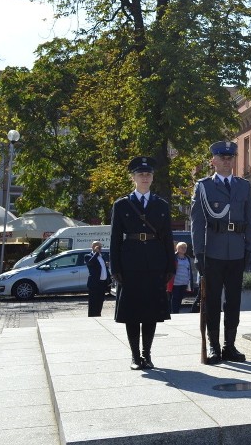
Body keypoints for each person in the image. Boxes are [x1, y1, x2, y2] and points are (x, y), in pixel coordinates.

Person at [190, 141, 251, 364]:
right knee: (213, 302)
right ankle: (214, 346)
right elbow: (197, 223)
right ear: (213, 161)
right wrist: (198, 254)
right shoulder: (204, 186)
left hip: (236, 251)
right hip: (213, 252)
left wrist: (248, 247)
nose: (227, 162)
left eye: (230, 158)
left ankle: (230, 346)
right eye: (223, 158)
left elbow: (249, 220)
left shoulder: (243, 186)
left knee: (234, 302)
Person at [110, 156, 175, 370]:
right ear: (133, 178)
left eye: (148, 174)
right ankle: (135, 356)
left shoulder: (161, 205)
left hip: (155, 262)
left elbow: (167, 237)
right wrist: (116, 267)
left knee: (150, 311)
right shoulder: (121, 205)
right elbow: (115, 238)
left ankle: (147, 354)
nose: (145, 177)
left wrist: (170, 266)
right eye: (140, 174)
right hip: (130, 263)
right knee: (131, 312)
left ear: (152, 178)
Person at [86, 241, 110, 317]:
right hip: (94, 283)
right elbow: (90, 263)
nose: (99, 248)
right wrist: (96, 253)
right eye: (97, 246)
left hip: (102, 283)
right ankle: (92, 315)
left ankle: (98, 314)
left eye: (100, 246)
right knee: (93, 302)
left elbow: (103, 269)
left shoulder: (102, 256)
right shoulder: (88, 256)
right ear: (92, 247)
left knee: (100, 301)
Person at [170, 242, 193, 314]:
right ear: (177, 248)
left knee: (180, 298)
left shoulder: (187, 258)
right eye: (181, 247)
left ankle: (177, 311)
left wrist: (190, 280)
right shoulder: (174, 257)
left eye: (185, 248)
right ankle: (174, 312)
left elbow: (189, 269)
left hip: (184, 281)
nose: (183, 249)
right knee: (175, 297)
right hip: (175, 281)